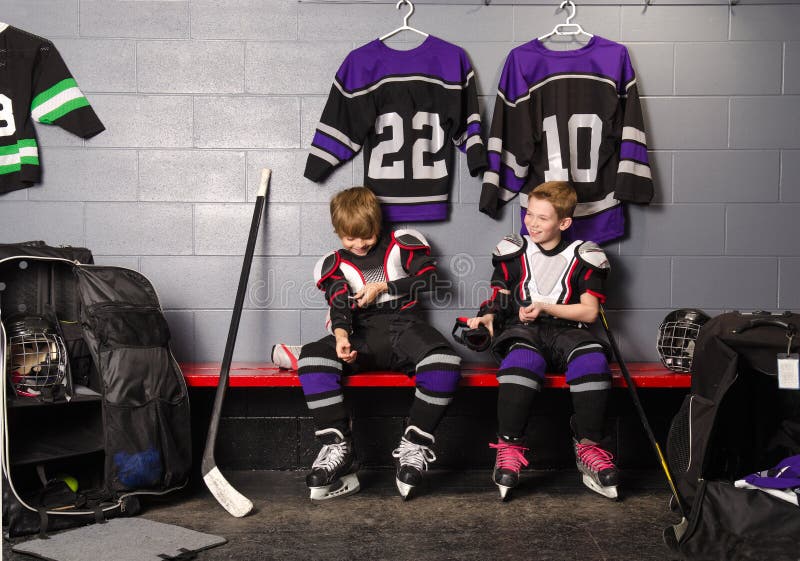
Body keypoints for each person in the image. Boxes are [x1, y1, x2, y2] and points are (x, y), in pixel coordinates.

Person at [294, 187, 461, 501]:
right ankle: (338, 448)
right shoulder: (335, 263)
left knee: (445, 365)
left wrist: (384, 285)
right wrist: (342, 338)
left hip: (405, 328)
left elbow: (429, 278)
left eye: (366, 236)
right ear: (338, 233)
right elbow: (339, 304)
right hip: (362, 334)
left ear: (378, 225)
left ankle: (415, 443)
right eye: (349, 238)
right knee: (313, 358)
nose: (358, 244)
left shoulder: (400, 245)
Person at [462, 181, 618, 500]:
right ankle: (508, 448)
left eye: (542, 218)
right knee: (522, 363)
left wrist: (545, 306)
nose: (532, 223)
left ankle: (590, 448)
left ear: (564, 223)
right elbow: (500, 301)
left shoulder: (584, 254)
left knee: (593, 361)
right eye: (529, 215)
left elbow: (589, 313)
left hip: (567, 330)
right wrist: (487, 318)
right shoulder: (513, 249)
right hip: (524, 331)